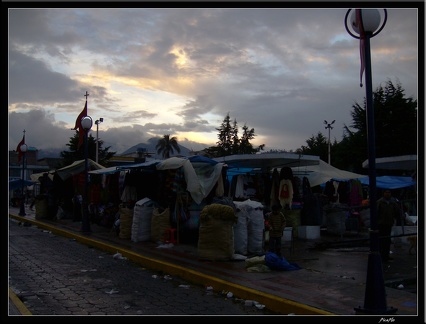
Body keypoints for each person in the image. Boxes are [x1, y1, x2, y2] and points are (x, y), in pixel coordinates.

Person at [377, 189, 401, 262]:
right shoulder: (380, 202)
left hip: (389, 223)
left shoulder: (393, 202)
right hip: (381, 223)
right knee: (382, 240)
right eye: (386, 192)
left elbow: (397, 211)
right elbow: (376, 212)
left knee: (387, 240)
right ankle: (381, 256)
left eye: (389, 192)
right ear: (383, 193)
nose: (387, 194)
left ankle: (386, 255)